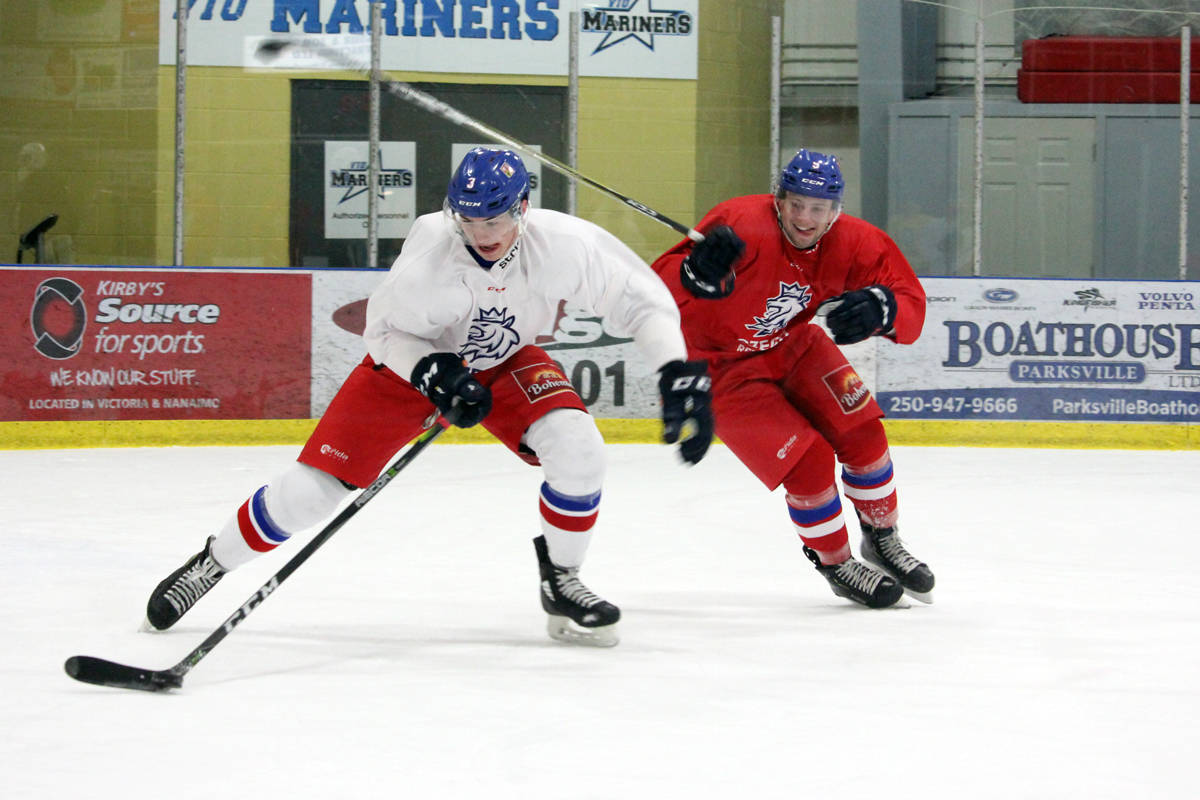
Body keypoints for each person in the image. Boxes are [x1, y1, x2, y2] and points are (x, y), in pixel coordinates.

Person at [144, 147, 714, 647]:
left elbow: (644, 300)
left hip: (504, 357)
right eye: (468, 220)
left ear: (521, 209)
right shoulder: (430, 255)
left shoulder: (564, 244)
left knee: (580, 451)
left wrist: (673, 369)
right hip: (407, 365)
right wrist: (432, 372)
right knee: (310, 497)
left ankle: (561, 579)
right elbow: (384, 332)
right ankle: (211, 563)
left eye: (493, 219)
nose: (480, 234)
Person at [650, 148, 935, 608]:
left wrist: (885, 309)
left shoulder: (855, 242)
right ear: (778, 200)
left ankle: (881, 536)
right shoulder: (741, 221)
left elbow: (910, 303)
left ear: (835, 212)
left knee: (863, 431)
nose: (805, 217)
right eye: (795, 203)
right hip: (720, 366)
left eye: (818, 208)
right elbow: (653, 289)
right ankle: (837, 563)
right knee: (809, 462)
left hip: (793, 345)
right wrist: (691, 273)